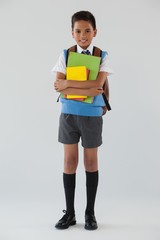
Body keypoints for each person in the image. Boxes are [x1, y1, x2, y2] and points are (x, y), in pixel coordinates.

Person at [52, 10, 113, 230]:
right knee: (69, 162)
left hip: (91, 116)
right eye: (78, 31)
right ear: (72, 33)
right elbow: (57, 85)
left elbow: (97, 87)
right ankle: (69, 213)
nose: (83, 35)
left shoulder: (101, 55)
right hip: (68, 114)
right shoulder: (66, 55)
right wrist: (71, 85)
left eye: (87, 30)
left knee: (90, 162)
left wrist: (69, 84)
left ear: (95, 32)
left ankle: (90, 213)